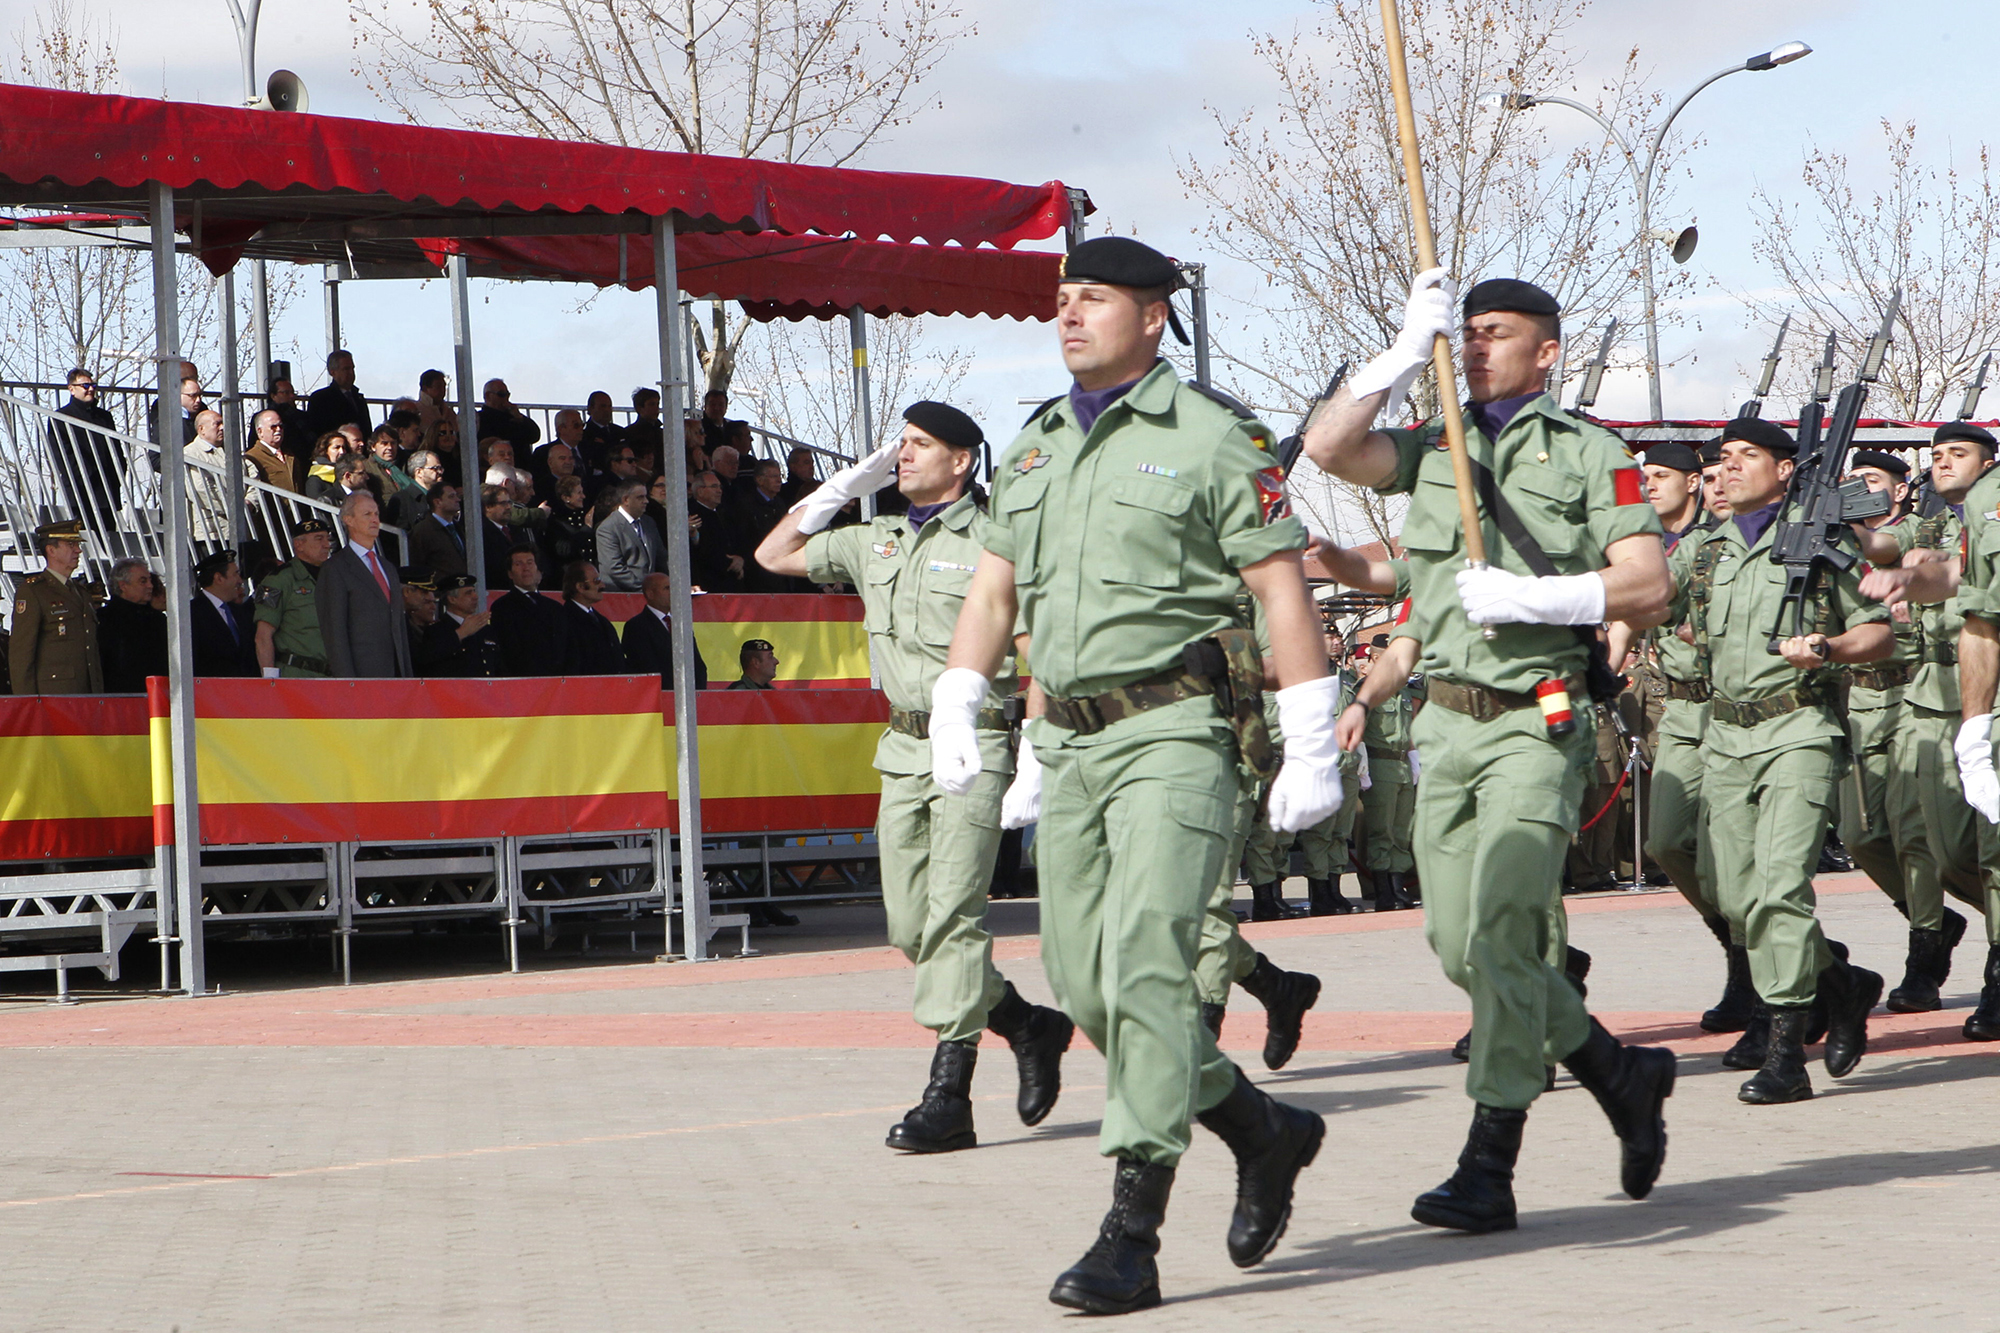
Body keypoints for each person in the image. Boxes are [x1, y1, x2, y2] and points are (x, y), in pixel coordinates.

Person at [935, 238, 1334, 1313]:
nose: (1068, 315)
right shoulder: (1034, 445)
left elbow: (1281, 590)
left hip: (1175, 733)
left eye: (1094, 299)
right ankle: (1260, 1126)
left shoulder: (1213, 438)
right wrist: (961, 698)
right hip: (1068, 743)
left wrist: (1311, 733)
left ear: (1153, 316)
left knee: (1152, 967)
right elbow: (994, 592)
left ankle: (1132, 1230)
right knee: (1086, 984)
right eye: (1062, 299)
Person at [1308, 272, 1677, 1230]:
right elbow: (1329, 447)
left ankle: (1490, 1162)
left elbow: (1648, 585)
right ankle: (1615, 1067)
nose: (1473, 346)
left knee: (1507, 935)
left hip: (1534, 719)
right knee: (1456, 942)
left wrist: (1540, 598)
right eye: (1464, 332)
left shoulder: (1593, 453)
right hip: (1444, 722)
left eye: (1496, 332)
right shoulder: (1436, 446)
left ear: (1545, 352)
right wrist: (1399, 354)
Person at [757, 398, 1077, 1159]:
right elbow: (774, 554)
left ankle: (949, 1096)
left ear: (961, 460)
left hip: (979, 744)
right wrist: (840, 488)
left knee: (956, 918)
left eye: (920, 444)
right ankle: (1027, 1024)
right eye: (899, 443)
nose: (902, 455)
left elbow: (1037, 652)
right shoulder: (876, 541)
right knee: (911, 928)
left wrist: (1034, 748)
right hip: (902, 749)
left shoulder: (996, 539)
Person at [1631, 415, 1892, 1103]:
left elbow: (1879, 632)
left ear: (1784, 470)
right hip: (1723, 739)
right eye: (1725, 455)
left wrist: (1830, 648)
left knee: (1778, 888)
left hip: (1798, 729)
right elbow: (1649, 597)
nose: (1731, 465)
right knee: (1738, 898)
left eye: (1749, 454)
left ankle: (1785, 1054)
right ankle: (1842, 982)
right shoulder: (1705, 551)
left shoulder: (1821, 539)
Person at [1859, 423, 2000, 1031]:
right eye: (1936, 455)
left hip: (1981, 683)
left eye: (1958, 453)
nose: (1943, 462)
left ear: (1989, 463)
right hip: (1936, 690)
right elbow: (1904, 556)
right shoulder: (1937, 525)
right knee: (1944, 850)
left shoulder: (1987, 513)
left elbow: (1966, 583)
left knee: (1992, 849)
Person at [317, 492, 412, 678]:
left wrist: (407, 676)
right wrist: (348, 682)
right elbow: (335, 632)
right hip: (362, 675)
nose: (375, 519)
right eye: (367, 514)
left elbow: (399, 627)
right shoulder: (336, 568)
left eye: (376, 514)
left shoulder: (388, 567)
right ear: (349, 520)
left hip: (395, 676)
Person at [9, 520, 102, 695]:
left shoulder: (81, 592)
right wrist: (27, 701)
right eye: (71, 544)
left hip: (86, 694)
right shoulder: (34, 591)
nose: (78, 550)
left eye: (77, 545)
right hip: (53, 694)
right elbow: (21, 654)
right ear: (51, 550)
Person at [253, 518, 334, 679]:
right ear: (299, 544)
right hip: (296, 675)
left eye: (327, 538)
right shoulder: (279, 580)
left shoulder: (333, 577)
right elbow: (263, 636)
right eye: (319, 539)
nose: (327, 545)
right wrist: (270, 681)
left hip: (332, 677)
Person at [50, 366, 123, 513]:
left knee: (108, 526)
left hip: (107, 489)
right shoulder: (61, 417)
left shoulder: (104, 417)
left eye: (93, 385)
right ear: (71, 389)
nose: (90, 389)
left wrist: (117, 475)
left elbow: (116, 450)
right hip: (80, 491)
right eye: (85, 386)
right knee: (83, 526)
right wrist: (83, 476)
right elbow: (62, 456)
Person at [490, 544, 568, 676]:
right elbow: (508, 650)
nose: (525, 568)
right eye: (518, 564)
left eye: (530, 562)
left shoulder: (555, 607)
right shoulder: (502, 607)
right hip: (523, 680)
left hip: (559, 680)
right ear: (510, 573)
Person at [622, 571, 709, 689]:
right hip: (660, 694)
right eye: (667, 588)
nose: (673, 592)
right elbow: (646, 667)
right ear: (650, 594)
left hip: (689, 694)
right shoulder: (636, 626)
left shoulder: (681, 624)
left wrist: (697, 691)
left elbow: (697, 664)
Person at [97, 557, 167, 693]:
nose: (150, 586)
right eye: (143, 581)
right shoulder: (104, 619)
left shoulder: (158, 619)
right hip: (119, 696)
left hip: (157, 695)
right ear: (123, 585)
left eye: (150, 581)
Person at [188, 549, 257, 677]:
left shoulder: (239, 612)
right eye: (235, 574)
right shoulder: (193, 613)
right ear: (219, 578)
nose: (240, 580)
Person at [421, 573, 502, 677]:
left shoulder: (485, 629)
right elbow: (430, 658)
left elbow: (498, 667)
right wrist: (461, 633)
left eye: (474, 591)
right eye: (468, 593)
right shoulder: (436, 631)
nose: (475, 596)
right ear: (452, 599)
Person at [597, 480, 669, 592]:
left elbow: (662, 558)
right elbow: (614, 568)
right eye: (640, 497)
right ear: (626, 500)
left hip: (649, 593)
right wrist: (643, 589)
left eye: (646, 496)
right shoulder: (608, 528)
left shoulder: (648, 522)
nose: (646, 501)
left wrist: (676, 584)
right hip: (621, 595)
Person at [687, 468, 745, 591]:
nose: (719, 491)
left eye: (720, 487)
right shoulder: (692, 515)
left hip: (730, 583)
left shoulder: (725, 514)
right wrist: (729, 563)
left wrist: (740, 560)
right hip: (708, 582)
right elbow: (704, 549)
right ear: (700, 491)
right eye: (714, 486)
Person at [407, 482, 470, 581]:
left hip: (463, 587)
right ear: (437, 502)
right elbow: (416, 565)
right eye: (451, 497)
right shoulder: (422, 531)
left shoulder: (460, 528)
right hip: (440, 588)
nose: (458, 499)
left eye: (456, 496)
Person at [304, 349, 371, 441]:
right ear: (332, 372)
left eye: (352, 368)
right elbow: (317, 431)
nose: (351, 373)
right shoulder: (320, 398)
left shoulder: (358, 398)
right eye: (346, 369)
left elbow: (367, 429)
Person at [479, 484, 522, 591]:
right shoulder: (481, 533)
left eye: (509, 502)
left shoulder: (516, 530)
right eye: (503, 503)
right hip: (495, 589)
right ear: (488, 507)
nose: (508, 507)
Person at [244, 409, 296, 494]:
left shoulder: (290, 454)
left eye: (281, 426)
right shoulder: (252, 458)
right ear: (260, 431)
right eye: (273, 427)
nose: (278, 429)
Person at [579, 390, 625, 472]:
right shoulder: (584, 435)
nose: (607, 410)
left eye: (609, 406)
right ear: (590, 408)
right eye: (603, 406)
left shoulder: (620, 431)